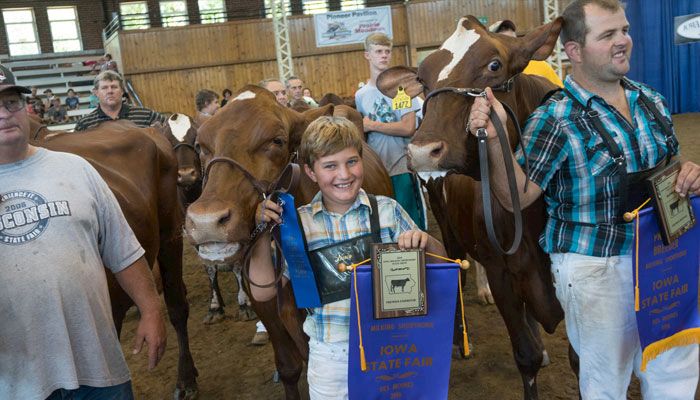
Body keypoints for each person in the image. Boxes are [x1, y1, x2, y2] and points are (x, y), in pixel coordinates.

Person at [467, 1, 700, 399]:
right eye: (607, 35)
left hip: (664, 257)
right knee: (605, 382)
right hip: (597, 268)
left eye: (624, 30)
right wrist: (493, 140)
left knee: (674, 374)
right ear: (574, 51)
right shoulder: (555, 118)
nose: (623, 41)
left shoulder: (651, 101)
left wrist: (688, 173)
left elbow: (670, 168)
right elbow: (517, 196)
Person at [0, 64, 167, 399]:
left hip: (98, 367)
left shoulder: (75, 169)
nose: (4, 114)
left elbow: (123, 249)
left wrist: (150, 308)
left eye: (11, 102)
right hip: (17, 381)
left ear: (25, 108)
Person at [249, 116, 445, 399]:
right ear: (311, 172)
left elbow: (442, 268)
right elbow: (263, 290)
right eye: (330, 166)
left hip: (393, 347)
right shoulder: (296, 226)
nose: (344, 174)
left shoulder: (388, 212)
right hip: (330, 356)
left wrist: (426, 243)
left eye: (351, 162)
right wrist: (260, 236)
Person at [355, 32, 427, 229]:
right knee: (383, 225)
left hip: (402, 168)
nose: (384, 55)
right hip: (375, 170)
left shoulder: (401, 90)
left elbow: (408, 127)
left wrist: (372, 125)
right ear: (367, 55)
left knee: (411, 224)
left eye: (387, 51)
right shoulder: (360, 95)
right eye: (378, 51)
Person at [75, 71, 164, 131]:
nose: (110, 91)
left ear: (122, 91)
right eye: (104, 88)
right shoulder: (84, 124)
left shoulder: (147, 116)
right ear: (96, 93)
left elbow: (173, 130)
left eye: (114, 87)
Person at [488, 19, 564, 87]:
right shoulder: (487, 74)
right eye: (504, 42)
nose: (510, 46)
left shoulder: (540, 65)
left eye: (513, 40)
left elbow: (560, 95)